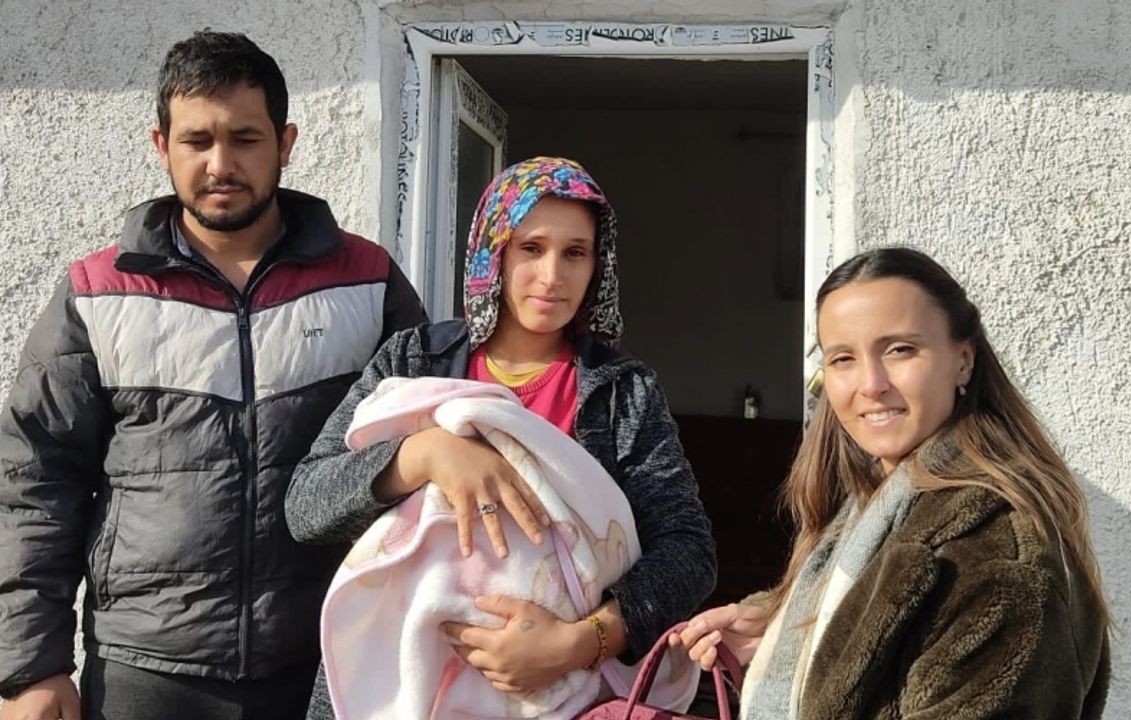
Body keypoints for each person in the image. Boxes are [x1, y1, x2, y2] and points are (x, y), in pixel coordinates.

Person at [0, 30, 425, 720]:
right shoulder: (98, 293)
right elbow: (34, 484)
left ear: (285, 143)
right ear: (161, 145)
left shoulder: (368, 282)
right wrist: (31, 668)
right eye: (196, 140)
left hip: (324, 660)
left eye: (245, 139)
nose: (221, 164)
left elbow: (417, 460)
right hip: (144, 672)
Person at [285, 156, 717, 718]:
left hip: (564, 697)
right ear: (493, 252)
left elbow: (687, 548)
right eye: (530, 248)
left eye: (575, 253)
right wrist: (423, 454)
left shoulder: (621, 392)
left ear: (599, 263)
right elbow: (306, 505)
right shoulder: (415, 361)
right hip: (402, 688)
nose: (552, 276)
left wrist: (579, 643)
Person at [672, 247, 1110, 719]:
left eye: (900, 349)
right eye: (843, 358)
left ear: (963, 360)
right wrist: (784, 629)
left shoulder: (999, 553)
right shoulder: (870, 509)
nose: (871, 383)